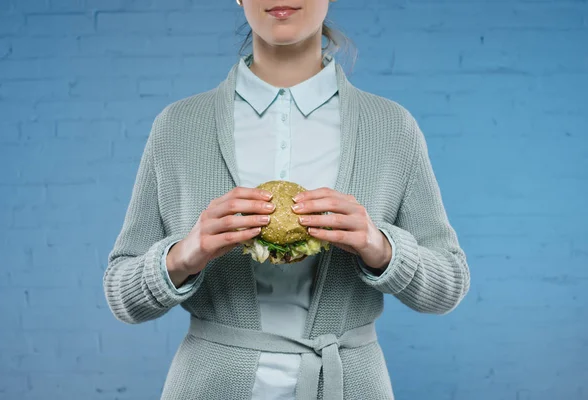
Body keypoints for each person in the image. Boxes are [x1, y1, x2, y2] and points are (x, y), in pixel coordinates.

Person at [103, 0, 471, 399]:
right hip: (208, 385)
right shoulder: (178, 126)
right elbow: (123, 297)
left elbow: (448, 287)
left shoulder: (391, 127)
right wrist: (184, 254)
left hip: (351, 385)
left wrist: (379, 247)